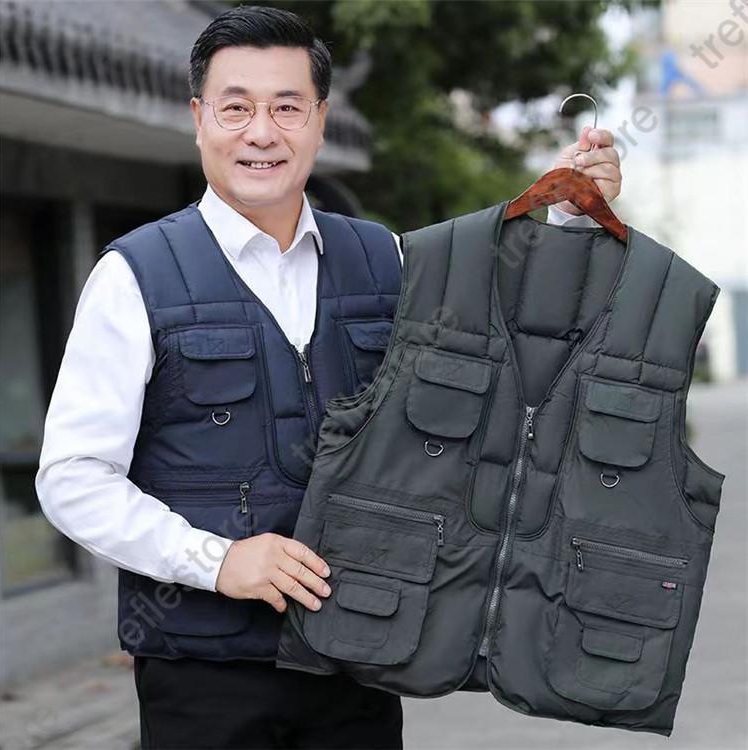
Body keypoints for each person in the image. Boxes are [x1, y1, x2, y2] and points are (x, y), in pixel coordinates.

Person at [35, 5, 622, 749]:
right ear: (198, 119)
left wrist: (573, 214)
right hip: (206, 677)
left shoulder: (384, 259)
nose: (261, 132)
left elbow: (505, 352)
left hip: (357, 665)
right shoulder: (134, 276)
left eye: (287, 107)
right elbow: (73, 478)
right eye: (236, 107)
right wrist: (218, 562)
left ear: (319, 121)